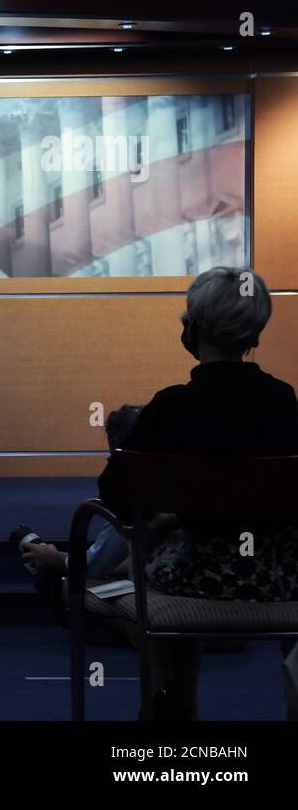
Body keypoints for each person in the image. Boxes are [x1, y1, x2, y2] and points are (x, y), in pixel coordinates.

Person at [34, 267, 298, 719]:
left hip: (196, 583)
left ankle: (170, 706)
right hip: (279, 582)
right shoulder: (284, 400)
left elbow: (115, 495)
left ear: (194, 328)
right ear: (255, 332)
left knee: (150, 566)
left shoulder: (173, 406)